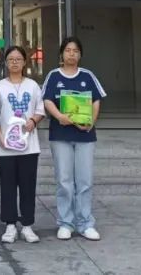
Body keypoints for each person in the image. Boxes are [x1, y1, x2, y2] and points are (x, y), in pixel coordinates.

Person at [42, 36, 106, 242]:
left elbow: (96, 100)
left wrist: (91, 122)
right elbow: (47, 100)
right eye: (68, 50)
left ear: (80, 54)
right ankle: (65, 223)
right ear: (62, 53)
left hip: (85, 136)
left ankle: (85, 223)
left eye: (75, 51)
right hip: (61, 135)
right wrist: (59, 116)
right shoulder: (54, 76)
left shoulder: (87, 75)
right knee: (64, 181)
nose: (71, 54)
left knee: (84, 181)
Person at [0, 45, 45, 244]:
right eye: (11, 59)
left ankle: (28, 225)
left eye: (18, 59)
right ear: (6, 63)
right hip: (5, 146)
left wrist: (33, 121)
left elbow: (40, 109)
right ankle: (10, 225)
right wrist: (0, 137)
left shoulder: (33, 86)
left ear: (24, 62)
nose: (14, 62)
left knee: (27, 185)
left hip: (29, 146)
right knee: (7, 186)